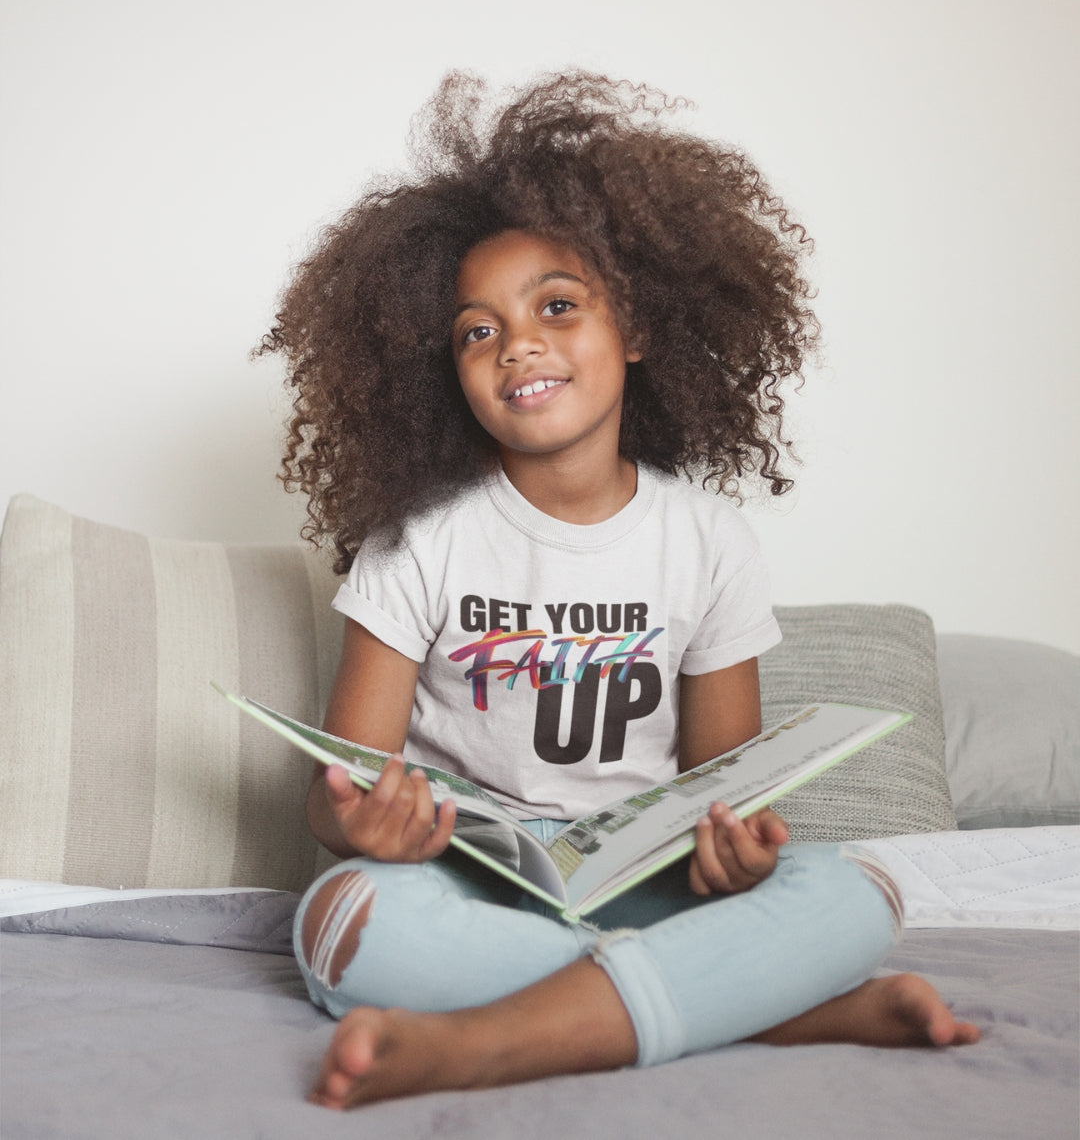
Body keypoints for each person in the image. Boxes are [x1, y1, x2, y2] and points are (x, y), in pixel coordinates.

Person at [261, 72, 978, 1109]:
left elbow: (721, 797)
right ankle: (781, 1012)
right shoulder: (419, 543)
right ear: (447, 372)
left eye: (557, 306)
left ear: (636, 331)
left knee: (857, 890)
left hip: (643, 887)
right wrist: (362, 830)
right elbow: (339, 798)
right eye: (478, 330)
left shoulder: (709, 541)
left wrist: (734, 858)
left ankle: (478, 1044)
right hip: (465, 881)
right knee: (345, 924)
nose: (519, 345)